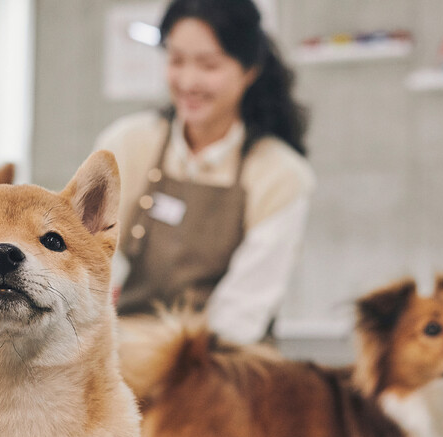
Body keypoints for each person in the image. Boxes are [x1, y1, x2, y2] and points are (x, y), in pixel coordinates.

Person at [96, 0, 314, 345]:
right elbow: (88, 257)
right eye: (177, 60)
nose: (188, 81)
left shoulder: (279, 174)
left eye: (208, 65)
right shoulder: (127, 144)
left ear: (249, 70)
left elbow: (240, 316)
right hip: (121, 353)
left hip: (220, 368)